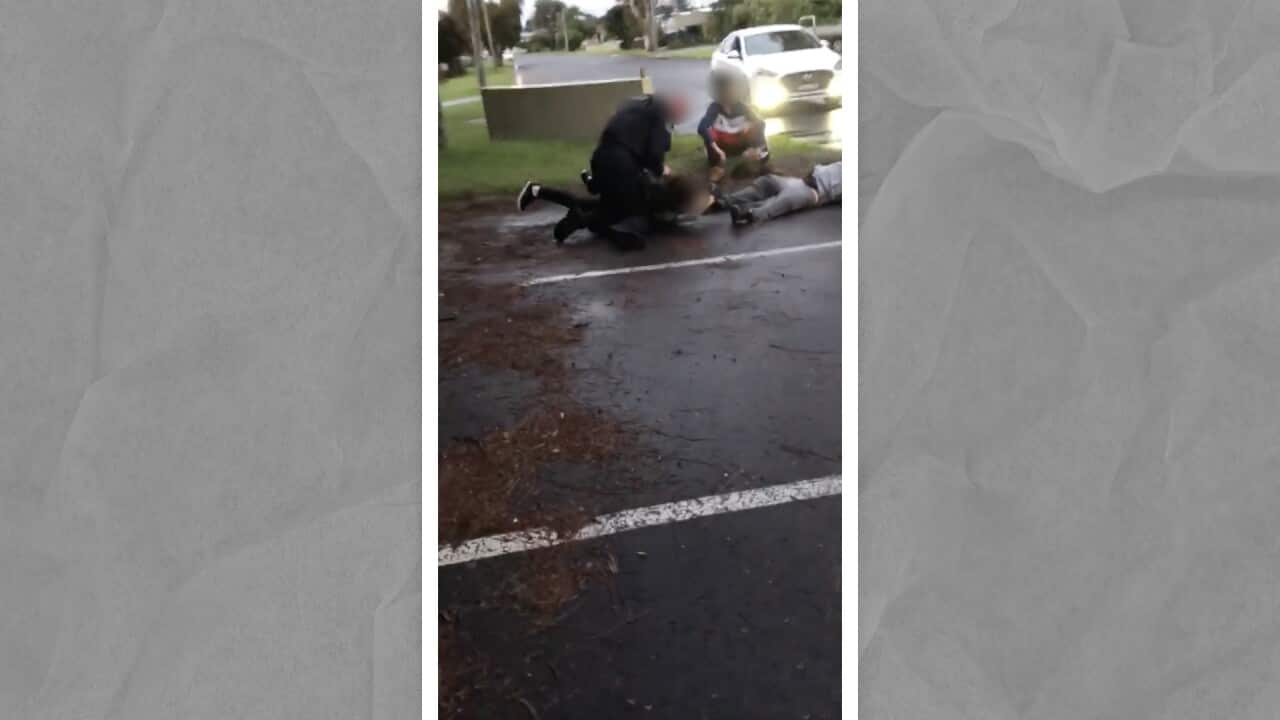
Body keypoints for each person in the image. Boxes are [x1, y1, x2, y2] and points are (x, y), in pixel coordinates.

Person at [518, 93, 690, 250]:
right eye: (681, 112)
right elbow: (654, 156)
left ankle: (537, 191)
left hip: (602, 157)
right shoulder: (657, 119)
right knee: (626, 207)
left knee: (596, 204)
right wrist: (663, 171)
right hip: (621, 165)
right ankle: (580, 221)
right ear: (673, 108)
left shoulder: (636, 106)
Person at [713, 161, 842, 225]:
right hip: (799, 181)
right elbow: (817, 168)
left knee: (780, 201)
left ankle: (747, 213)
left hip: (814, 192)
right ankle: (724, 201)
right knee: (767, 181)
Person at [697, 72, 769, 183]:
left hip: (740, 144)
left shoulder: (743, 108)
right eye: (726, 90)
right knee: (710, 132)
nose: (729, 93)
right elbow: (702, 127)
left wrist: (750, 127)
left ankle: (756, 158)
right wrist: (716, 148)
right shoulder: (714, 108)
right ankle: (717, 168)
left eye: (732, 90)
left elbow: (760, 124)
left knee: (756, 128)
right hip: (722, 149)